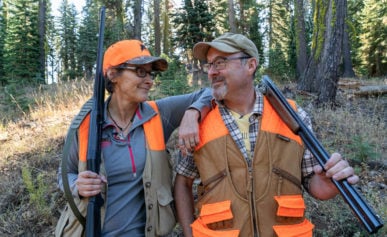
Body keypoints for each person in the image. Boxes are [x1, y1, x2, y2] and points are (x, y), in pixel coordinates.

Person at [174, 33, 360, 237]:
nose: (211, 72)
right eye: (209, 65)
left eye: (220, 62)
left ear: (251, 65)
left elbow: (312, 182)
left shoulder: (294, 116)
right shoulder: (197, 123)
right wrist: (188, 231)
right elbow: (183, 182)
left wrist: (327, 183)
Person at [55, 39, 212, 237]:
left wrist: (192, 112)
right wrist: (76, 184)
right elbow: (64, 174)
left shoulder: (158, 114)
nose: (149, 80)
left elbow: (209, 93)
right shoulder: (86, 123)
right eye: (140, 72)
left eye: (151, 73)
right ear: (113, 75)